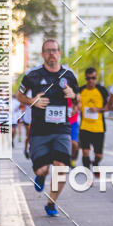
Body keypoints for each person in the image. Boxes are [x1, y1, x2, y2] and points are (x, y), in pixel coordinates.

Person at [16, 38, 79, 216]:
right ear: (43, 54)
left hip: (62, 129)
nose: (51, 53)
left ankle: (51, 203)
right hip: (40, 130)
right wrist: (31, 101)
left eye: (54, 50)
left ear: (59, 53)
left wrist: (73, 94)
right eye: (48, 50)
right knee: (42, 169)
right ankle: (41, 175)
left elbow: (78, 101)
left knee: (61, 166)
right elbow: (19, 95)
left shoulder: (69, 75)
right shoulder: (32, 75)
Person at [78, 67, 108, 173]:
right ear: (86, 78)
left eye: (93, 78)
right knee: (85, 152)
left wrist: (98, 109)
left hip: (99, 128)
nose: (91, 80)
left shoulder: (102, 90)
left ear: (96, 78)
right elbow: (75, 105)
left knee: (99, 155)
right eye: (89, 78)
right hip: (84, 126)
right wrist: (76, 107)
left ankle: (95, 162)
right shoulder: (80, 90)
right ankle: (87, 174)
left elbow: (108, 107)